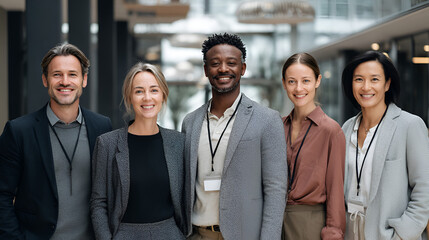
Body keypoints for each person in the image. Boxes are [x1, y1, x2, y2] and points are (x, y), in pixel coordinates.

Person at [0, 43, 112, 239]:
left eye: (72, 74)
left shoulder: (102, 127)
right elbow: (2, 195)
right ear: (45, 79)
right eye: (57, 74)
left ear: (84, 80)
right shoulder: (18, 131)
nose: (65, 81)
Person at [182, 33, 287, 240]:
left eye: (231, 63)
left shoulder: (267, 120)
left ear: (243, 68)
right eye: (215, 63)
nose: (223, 69)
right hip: (197, 233)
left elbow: (275, 189)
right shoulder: (190, 122)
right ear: (205, 70)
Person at [90, 62, 186, 239]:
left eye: (154, 90)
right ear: (129, 97)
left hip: (169, 234)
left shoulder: (179, 143)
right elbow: (98, 203)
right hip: (125, 234)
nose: (147, 98)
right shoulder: (107, 144)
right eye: (139, 91)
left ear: (163, 95)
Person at [341, 51, 429, 239]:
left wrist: (400, 235)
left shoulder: (410, 125)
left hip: (387, 233)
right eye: (359, 79)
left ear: (387, 83)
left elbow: (425, 190)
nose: (366, 87)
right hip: (349, 231)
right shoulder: (346, 128)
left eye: (374, 79)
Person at [281, 53, 346, 240]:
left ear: (317, 81)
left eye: (306, 81)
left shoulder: (331, 131)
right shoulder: (277, 127)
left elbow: (335, 190)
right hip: (276, 222)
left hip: (311, 225)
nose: (299, 88)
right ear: (284, 83)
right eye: (292, 81)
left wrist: (333, 234)